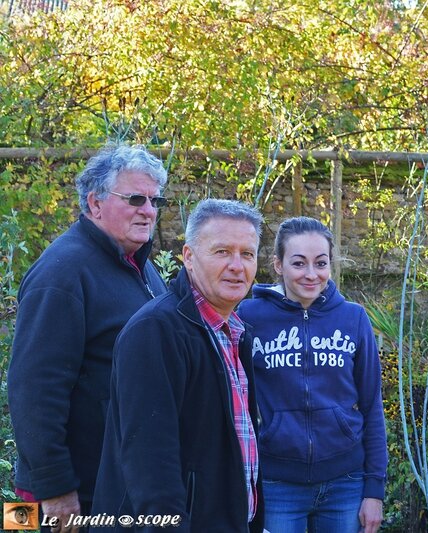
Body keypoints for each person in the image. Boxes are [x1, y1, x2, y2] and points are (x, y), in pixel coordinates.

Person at [8, 144, 169, 530]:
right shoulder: (62, 274)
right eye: (134, 198)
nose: (147, 210)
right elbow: (33, 387)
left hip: (117, 478)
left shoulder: (139, 266)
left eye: (154, 199)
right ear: (95, 204)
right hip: (69, 493)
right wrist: (55, 488)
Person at [90, 199, 264, 533]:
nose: (237, 266)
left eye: (247, 253)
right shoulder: (155, 332)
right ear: (188, 256)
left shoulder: (236, 334)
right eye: (222, 252)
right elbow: (151, 465)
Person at [237, 216, 387, 533]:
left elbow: (372, 405)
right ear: (278, 265)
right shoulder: (247, 317)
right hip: (278, 482)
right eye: (298, 263)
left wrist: (374, 490)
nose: (311, 274)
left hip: (345, 481)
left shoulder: (353, 318)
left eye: (320, 263)